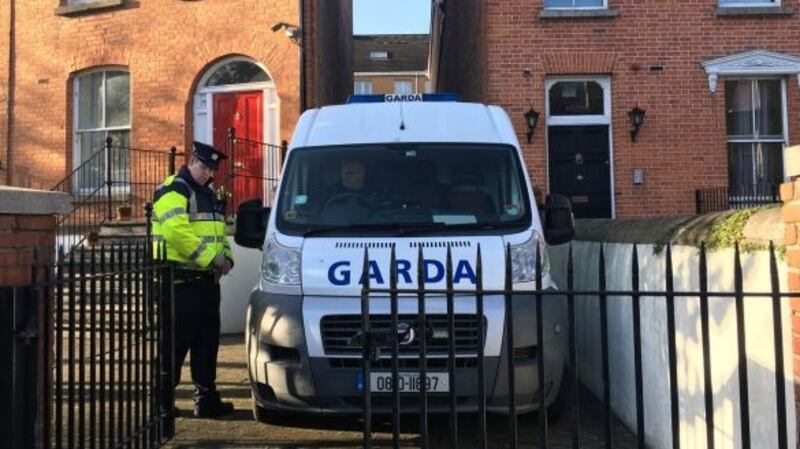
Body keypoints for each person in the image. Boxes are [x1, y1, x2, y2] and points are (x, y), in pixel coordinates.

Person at [152, 141, 235, 418]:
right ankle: (161, 403)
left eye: (211, 169)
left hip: (206, 284)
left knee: (206, 343)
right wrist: (212, 259)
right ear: (190, 161)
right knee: (174, 345)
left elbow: (218, 233)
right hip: (179, 282)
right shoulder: (173, 188)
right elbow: (176, 231)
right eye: (203, 166)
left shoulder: (208, 193)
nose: (207, 173)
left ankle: (206, 399)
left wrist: (227, 257)